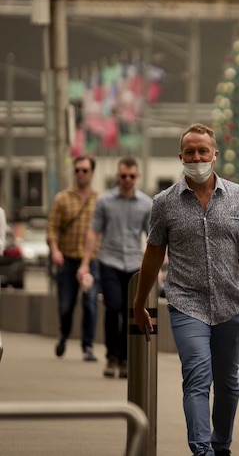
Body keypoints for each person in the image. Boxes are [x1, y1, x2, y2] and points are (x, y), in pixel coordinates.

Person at [133, 123, 239, 456]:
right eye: (190, 152)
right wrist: (140, 303)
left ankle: (221, 445)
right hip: (187, 304)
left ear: (214, 155)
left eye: (203, 151)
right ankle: (202, 450)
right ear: (180, 156)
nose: (196, 157)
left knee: (227, 384)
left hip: (231, 304)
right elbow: (153, 254)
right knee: (197, 378)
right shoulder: (165, 203)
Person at [79, 157, 152, 378]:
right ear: (117, 176)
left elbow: (152, 238)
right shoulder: (105, 201)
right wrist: (85, 263)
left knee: (131, 312)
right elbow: (94, 232)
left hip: (133, 262)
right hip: (109, 261)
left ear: (137, 176)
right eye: (123, 176)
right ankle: (111, 356)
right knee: (113, 308)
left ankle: (125, 359)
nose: (127, 180)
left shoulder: (146, 203)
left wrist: (157, 267)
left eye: (131, 176)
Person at [46, 155, 100, 362]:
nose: (80, 174)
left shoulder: (99, 200)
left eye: (84, 170)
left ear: (92, 173)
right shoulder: (62, 198)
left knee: (90, 303)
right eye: (77, 170)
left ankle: (87, 346)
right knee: (66, 305)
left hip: (91, 261)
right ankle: (64, 335)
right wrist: (55, 250)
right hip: (67, 261)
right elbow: (52, 228)